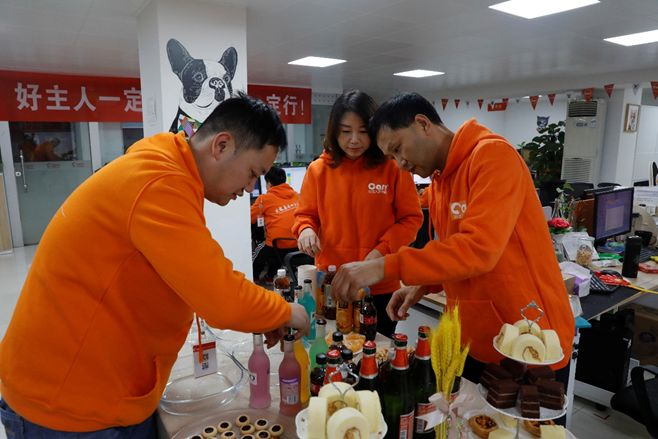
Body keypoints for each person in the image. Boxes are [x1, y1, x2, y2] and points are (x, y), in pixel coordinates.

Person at [0, 94, 309, 437]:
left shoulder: (167, 169)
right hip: (68, 403)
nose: (249, 188)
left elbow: (202, 271)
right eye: (252, 173)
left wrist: (263, 314)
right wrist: (285, 311)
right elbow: (221, 297)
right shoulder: (159, 182)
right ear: (221, 145)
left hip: (102, 388)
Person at [331, 92, 575, 382]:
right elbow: (453, 251)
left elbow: (478, 250)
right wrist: (425, 284)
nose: (400, 164)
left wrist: (383, 266)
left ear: (423, 124)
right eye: (391, 157)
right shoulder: (440, 182)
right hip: (475, 337)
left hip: (528, 338)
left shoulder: (493, 157)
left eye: (398, 149)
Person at [293, 90, 423, 337]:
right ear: (334, 132)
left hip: (379, 281)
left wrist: (381, 251)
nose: (354, 140)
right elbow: (305, 215)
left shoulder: (393, 167)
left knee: (376, 349)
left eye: (363, 131)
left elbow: (411, 219)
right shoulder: (318, 170)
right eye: (345, 131)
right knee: (332, 346)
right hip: (332, 281)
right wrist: (305, 229)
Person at [251, 166, 300, 280]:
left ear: (269, 183)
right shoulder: (297, 195)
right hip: (298, 245)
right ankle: (270, 276)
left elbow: (250, 218)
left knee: (260, 249)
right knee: (273, 246)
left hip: (277, 245)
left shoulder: (264, 199)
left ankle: (253, 278)